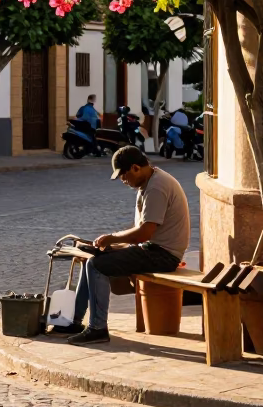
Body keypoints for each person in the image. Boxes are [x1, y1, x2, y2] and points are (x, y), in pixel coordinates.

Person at [53, 145, 190, 345]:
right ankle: (75, 321)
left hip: (164, 255)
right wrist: (111, 247)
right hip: (152, 248)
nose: (124, 181)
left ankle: (98, 328)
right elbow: (141, 232)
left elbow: (144, 233)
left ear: (135, 168)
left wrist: (112, 238)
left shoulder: (157, 187)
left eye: (124, 176)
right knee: (91, 258)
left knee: (97, 266)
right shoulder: (149, 182)